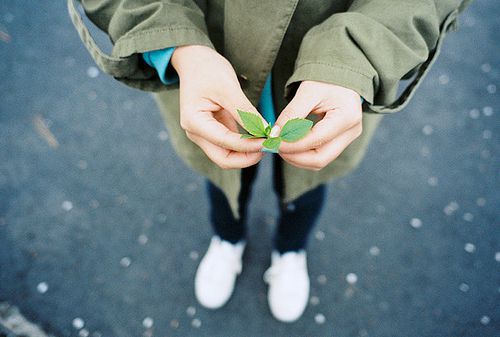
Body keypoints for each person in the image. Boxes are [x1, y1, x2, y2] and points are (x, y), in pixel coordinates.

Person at [68, 0, 471, 322]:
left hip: (329, 86)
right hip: (210, 65)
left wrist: (359, 56)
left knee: (306, 183)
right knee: (223, 174)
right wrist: (178, 47)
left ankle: (290, 250)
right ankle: (228, 239)